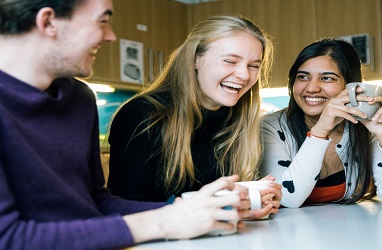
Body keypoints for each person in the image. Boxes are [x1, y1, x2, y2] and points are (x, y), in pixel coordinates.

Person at [0, 1, 250, 249]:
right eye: (102, 21)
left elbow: (96, 203)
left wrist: (198, 210)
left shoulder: (79, 97)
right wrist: (163, 221)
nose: (111, 36)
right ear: (48, 21)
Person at [107, 15, 281, 219]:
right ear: (195, 59)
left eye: (254, 66)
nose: (244, 75)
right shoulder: (143, 115)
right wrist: (220, 209)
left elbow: (221, 199)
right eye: (230, 61)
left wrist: (253, 201)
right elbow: (127, 207)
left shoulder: (239, 120)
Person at [260, 38, 382, 208]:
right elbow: (286, 198)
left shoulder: (364, 126)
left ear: (350, 86)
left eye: (327, 78)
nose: (312, 88)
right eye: (303, 77)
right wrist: (320, 130)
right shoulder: (270, 127)